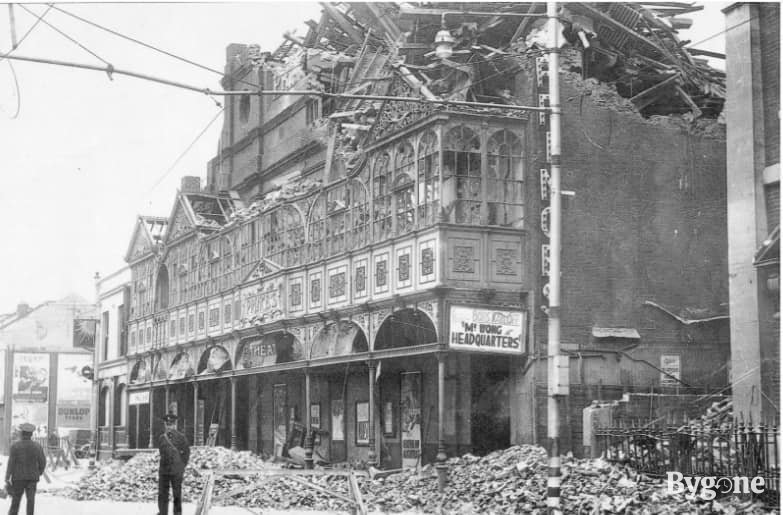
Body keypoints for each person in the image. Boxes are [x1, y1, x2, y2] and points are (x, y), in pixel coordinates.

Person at [5, 423, 46, 515]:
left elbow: (11, 463)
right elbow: (42, 462)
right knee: (31, 502)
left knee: (15, 502)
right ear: (31, 434)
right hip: (32, 479)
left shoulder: (15, 446)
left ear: (21, 433)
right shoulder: (37, 446)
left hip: (18, 478)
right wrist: (38, 472)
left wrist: (7, 477)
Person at [157, 413, 189, 515]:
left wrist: (182, 466)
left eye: (171, 424)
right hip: (164, 471)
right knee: (162, 494)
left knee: (177, 494)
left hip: (176, 470)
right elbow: (161, 453)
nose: (169, 426)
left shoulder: (181, 437)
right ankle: (162, 513)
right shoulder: (161, 438)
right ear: (165, 425)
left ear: (175, 425)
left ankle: (177, 513)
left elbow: (186, 453)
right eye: (167, 424)